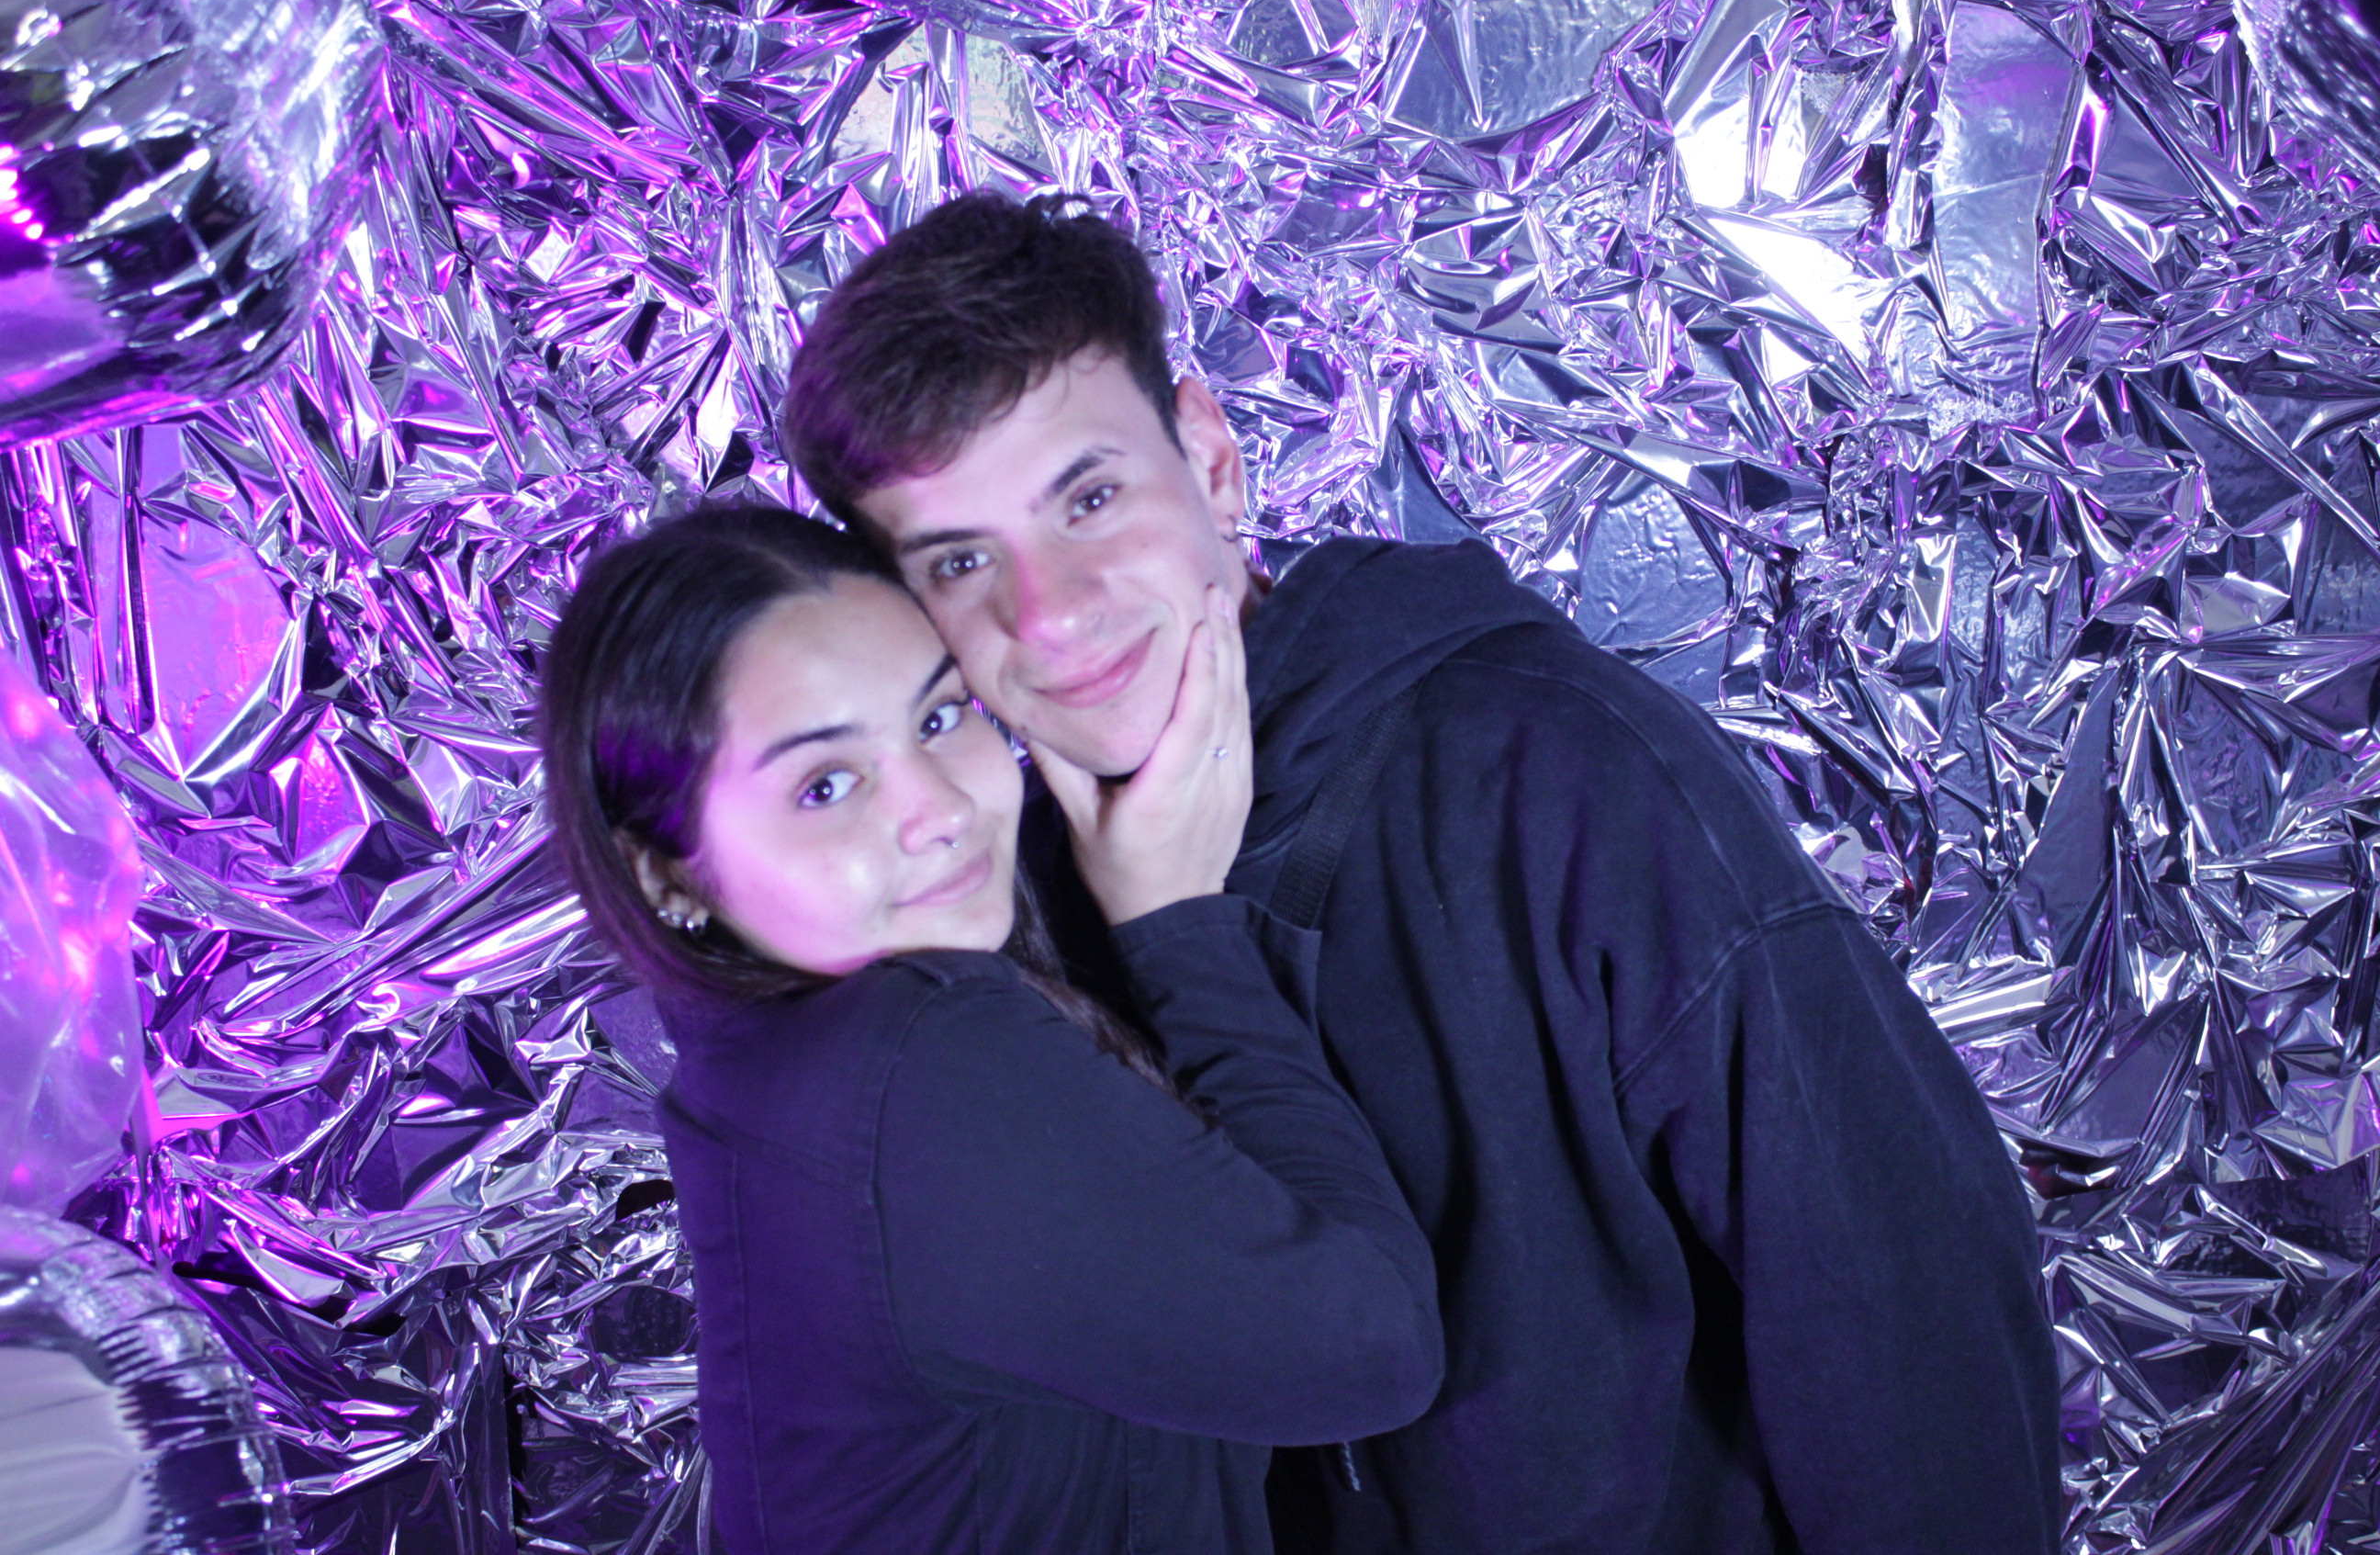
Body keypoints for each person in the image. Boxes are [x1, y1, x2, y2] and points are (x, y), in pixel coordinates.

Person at [779, 192, 2064, 1555]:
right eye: (961, 561)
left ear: (1210, 461)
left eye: (1089, 498)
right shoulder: (997, 918)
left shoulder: (1565, 772)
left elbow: (1899, 1301)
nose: (1049, 613)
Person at [536, 504, 1443, 1555]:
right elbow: (1376, 1351)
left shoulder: (760, 1056)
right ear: (666, 870)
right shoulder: (916, 1062)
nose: (943, 809)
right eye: (826, 785)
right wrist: (1183, 926)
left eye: (938, 717)